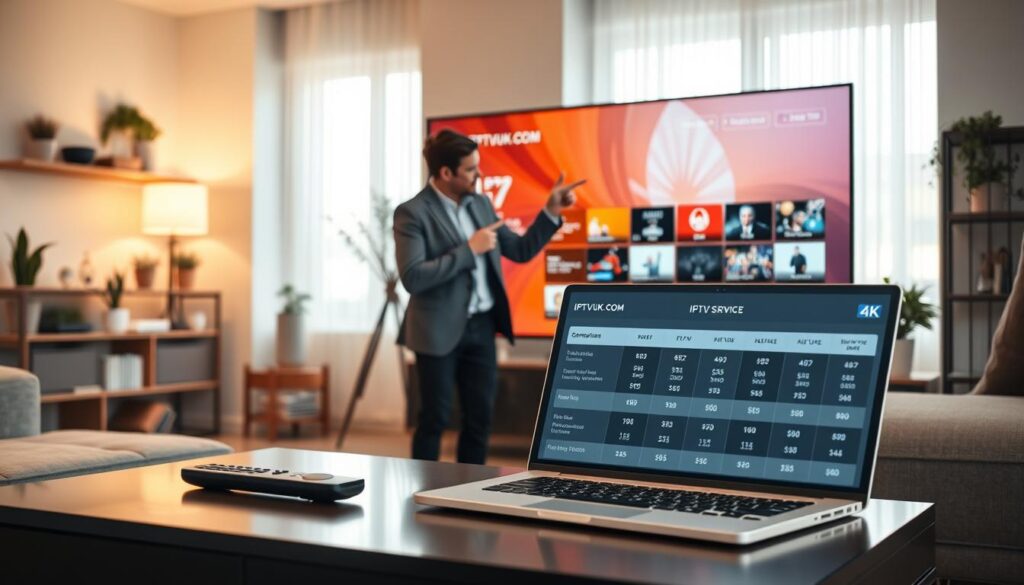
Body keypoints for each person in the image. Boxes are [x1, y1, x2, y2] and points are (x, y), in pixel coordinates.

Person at [394, 129, 585, 464]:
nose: (479, 175)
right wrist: (469, 250)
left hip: (481, 328)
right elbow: (413, 277)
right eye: (470, 169)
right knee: (434, 419)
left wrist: (551, 211)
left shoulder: (481, 204)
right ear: (445, 173)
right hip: (436, 330)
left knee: (480, 419)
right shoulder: (412, 212)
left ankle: (469, 491)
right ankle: (420, 490)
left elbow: (521, 249)